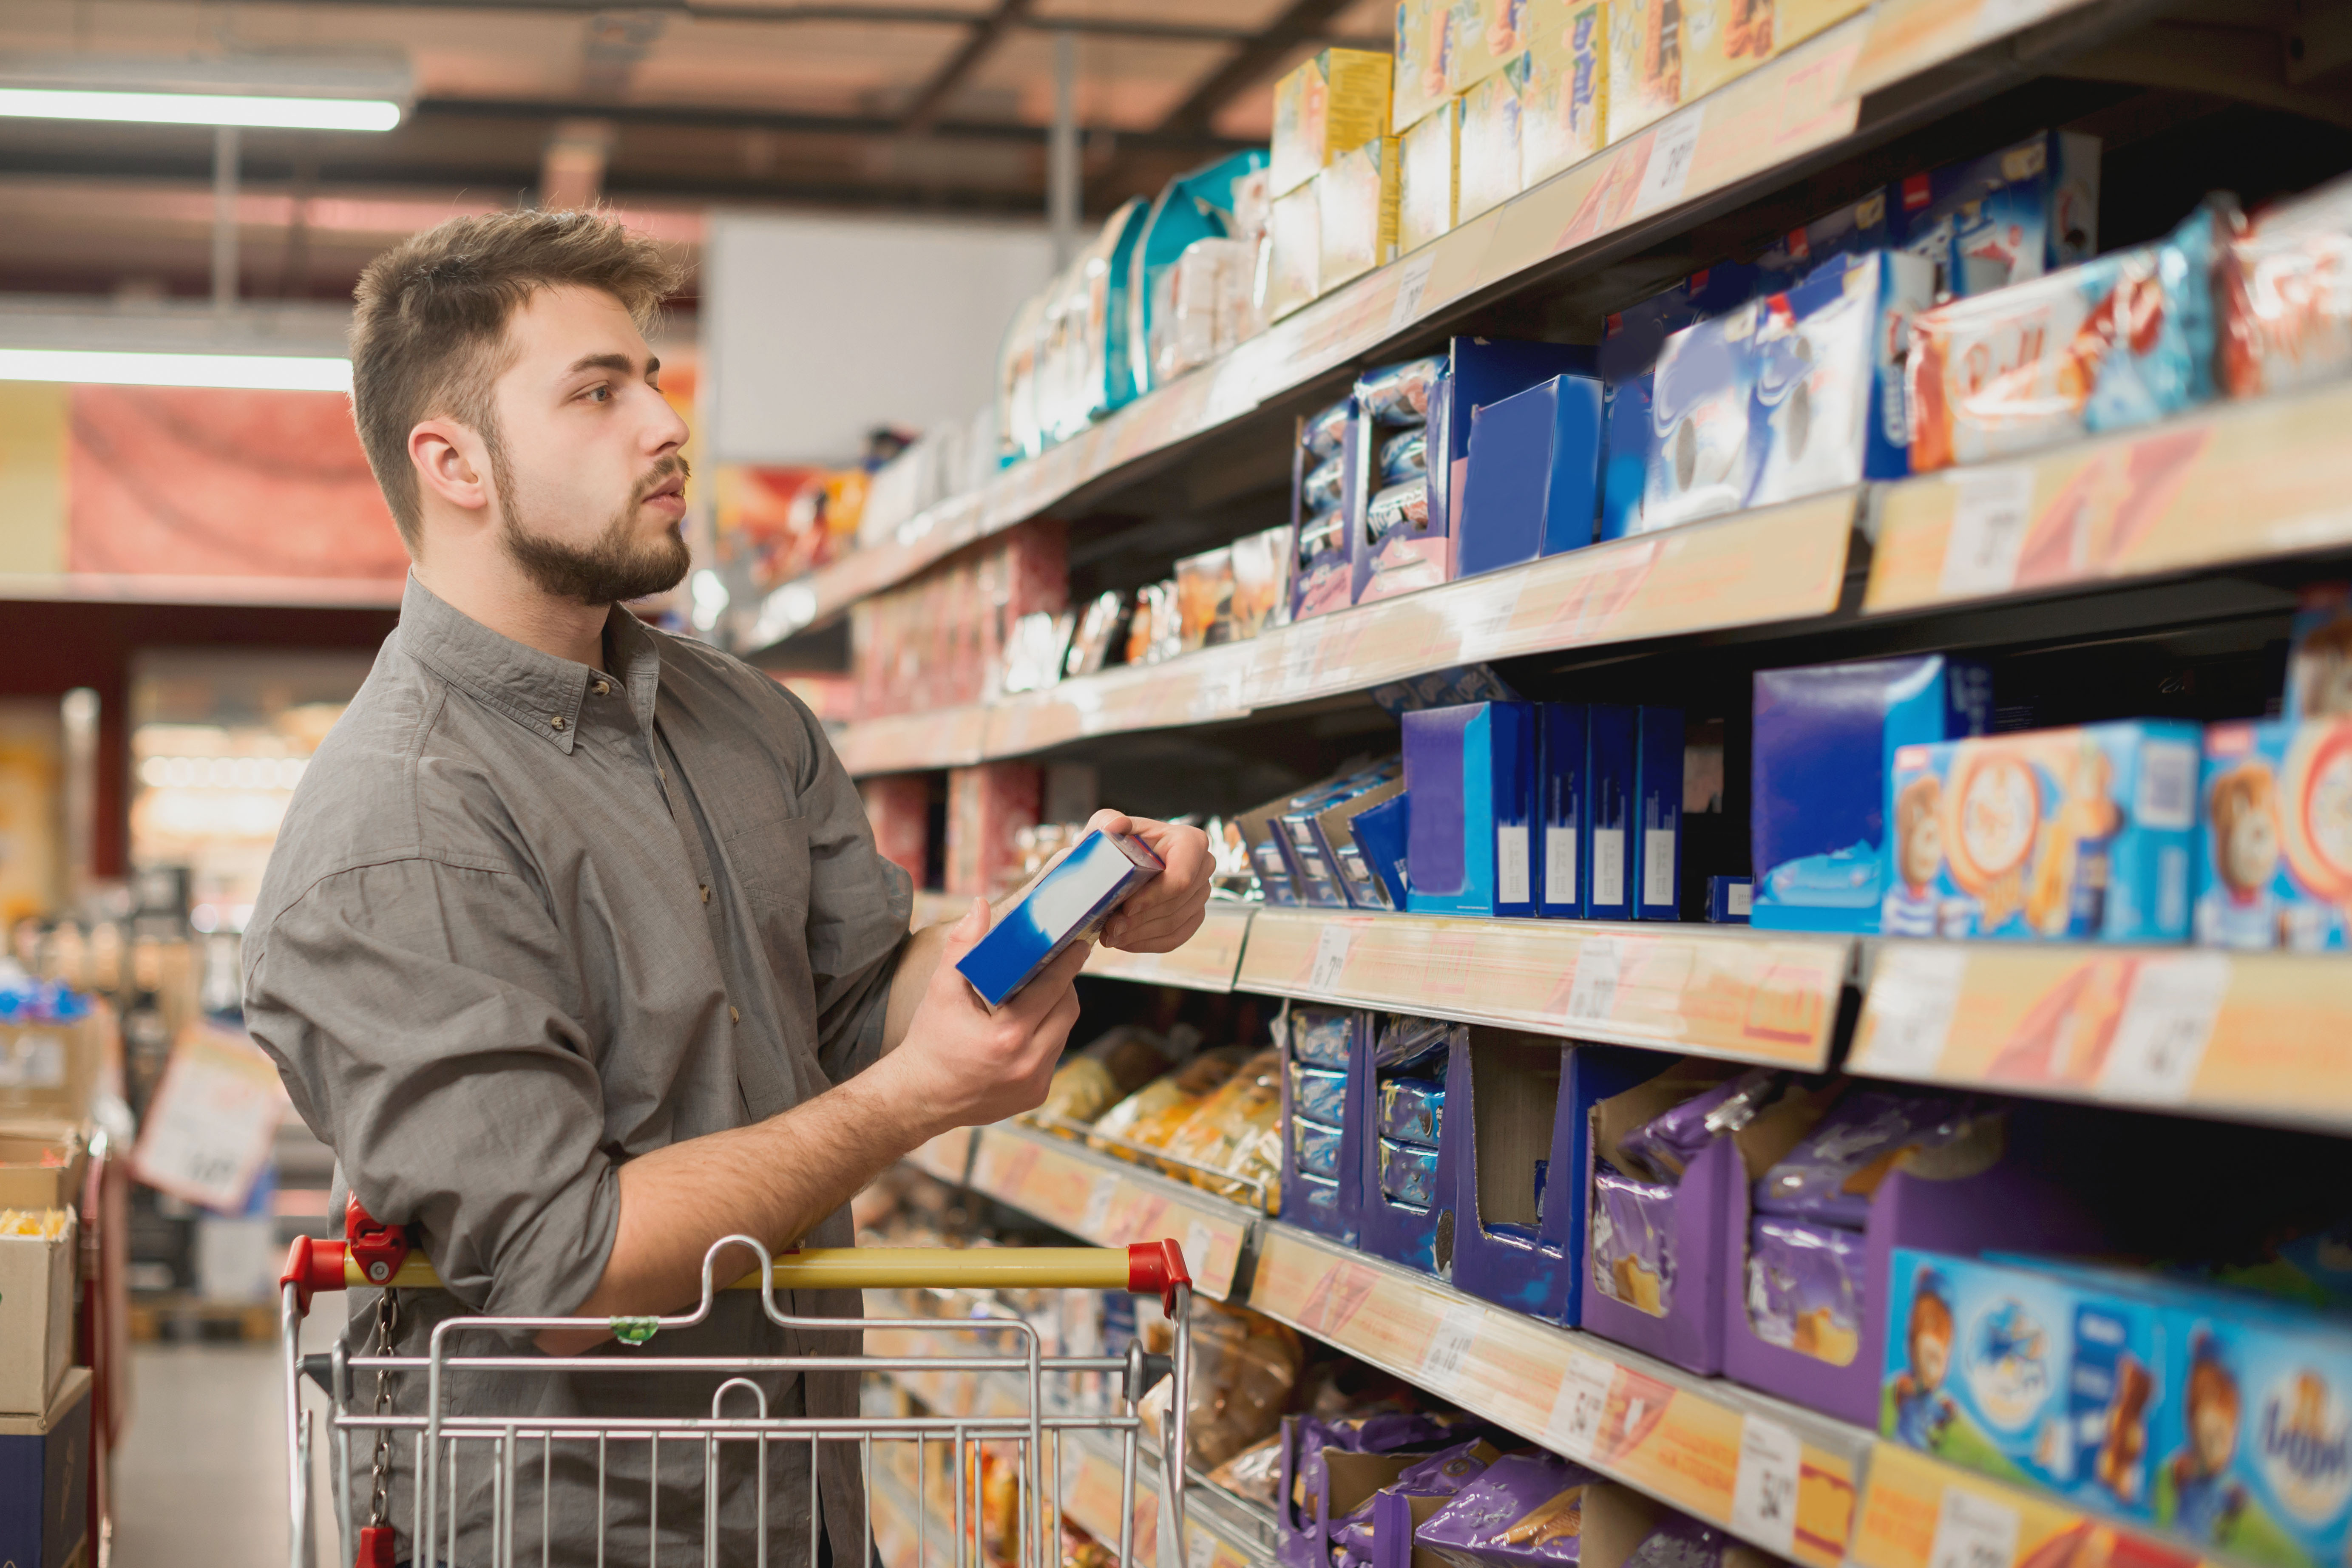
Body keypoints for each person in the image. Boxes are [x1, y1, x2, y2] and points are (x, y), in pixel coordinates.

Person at [241, 209, 1213, 1564]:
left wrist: (1072, 916)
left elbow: (866, 995)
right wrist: (916, 1097)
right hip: (578, 1524)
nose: (663, 422)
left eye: (652, 373)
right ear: (451, 461)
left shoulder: (744, 720)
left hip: (798, 1498)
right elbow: (565, 1268)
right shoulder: (395, 827)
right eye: (598, 390)